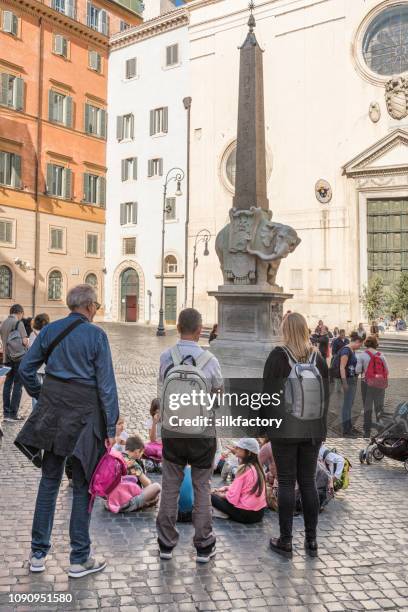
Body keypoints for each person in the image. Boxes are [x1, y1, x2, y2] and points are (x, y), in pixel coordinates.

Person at [16, 284, 119, 578]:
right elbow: (107, 386)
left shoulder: (49, 331)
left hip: (55, 412)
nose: (96, 310)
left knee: (49, 480)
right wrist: (111, 426)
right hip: (86, 416)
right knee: (83, 485)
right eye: (96, 306)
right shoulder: (97, 335)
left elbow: (25, 369)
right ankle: (79, 557)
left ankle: (38, 554)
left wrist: (41, 394)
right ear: (88, 306)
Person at [156, 308, 223, 564]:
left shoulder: (166, 356)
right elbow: (218, 396)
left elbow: (162, 390)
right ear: (199, 329)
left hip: (173, 431)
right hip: (202, 433)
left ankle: (166, 543)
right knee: (202, 488)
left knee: (170, 486)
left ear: (177, 328)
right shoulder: (210, 360)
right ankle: (204, 546)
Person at [262, 312, 329, 559]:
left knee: (288, 482)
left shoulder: (278, 357)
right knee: (309, 482)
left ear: (285, 330)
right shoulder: (318, 358)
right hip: (312, 430)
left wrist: (264, 429)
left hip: (285, 430)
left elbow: (266, 396)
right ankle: (311, 541)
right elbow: (326, 397)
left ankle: (286, 540)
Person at [211, 438, 267, 524]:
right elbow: (245, 487)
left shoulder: (244, 469)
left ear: (248, 452)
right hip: (259, 513)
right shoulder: (258, 467)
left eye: (239, 448)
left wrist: (218, 494)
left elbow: (232, 498)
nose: (236, 449)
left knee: (210, 496)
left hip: (246, 514)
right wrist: (227, 488)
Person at [1, 304, 29, 422]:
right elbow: (24, 341)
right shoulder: (19, 323)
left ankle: (6, 412)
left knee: (7, 385)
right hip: (18, 358)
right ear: (20, 312)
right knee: (18, 385)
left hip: (7, 358)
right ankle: (13, 414)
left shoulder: (3, 323)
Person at [357, 336, 389, 438]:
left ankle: (367, 431)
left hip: (366, 384)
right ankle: (381, 430)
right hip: (379, 385)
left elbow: (357, 371)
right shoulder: (381, 355)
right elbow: (387, 371)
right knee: (379, 407)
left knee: (367, 407)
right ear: (376, 344)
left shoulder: (362, 355)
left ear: (366, 343)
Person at [120, 435, 161, 512]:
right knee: (156, 488)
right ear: (137, 451)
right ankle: (143, 504)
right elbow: (147, 484)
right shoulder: (133, 463)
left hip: (116, 496)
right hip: (129, 498)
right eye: (141, 453)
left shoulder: (119, 457)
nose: (142, 455)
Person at [339, 331, 364, 436]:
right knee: (347, 405)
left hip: (352, 380)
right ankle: (346, 429)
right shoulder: (346, 351)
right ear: (357, 341)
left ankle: (349, 426)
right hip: (348, 381)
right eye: (360, 345)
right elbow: (342, 367)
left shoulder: (351, 350)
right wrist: (344, 383)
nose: (360, 347)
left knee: (349, 405)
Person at [28, 314, 50, 410]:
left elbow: (30, 350)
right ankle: (45, 410)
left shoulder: (33, 334)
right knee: (47, 390)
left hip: (36, 366)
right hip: (47, 365)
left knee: (36, 390)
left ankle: (35, 411)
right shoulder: (49, 333)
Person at [144, 398, 162, 464]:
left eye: (160, 412)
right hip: (154, 445)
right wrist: (154, 423)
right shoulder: (150, 421)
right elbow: (152, 440)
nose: (158, 414)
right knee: (145, 447)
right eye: (156, 412)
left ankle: (156, 459)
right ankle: (157, 459)